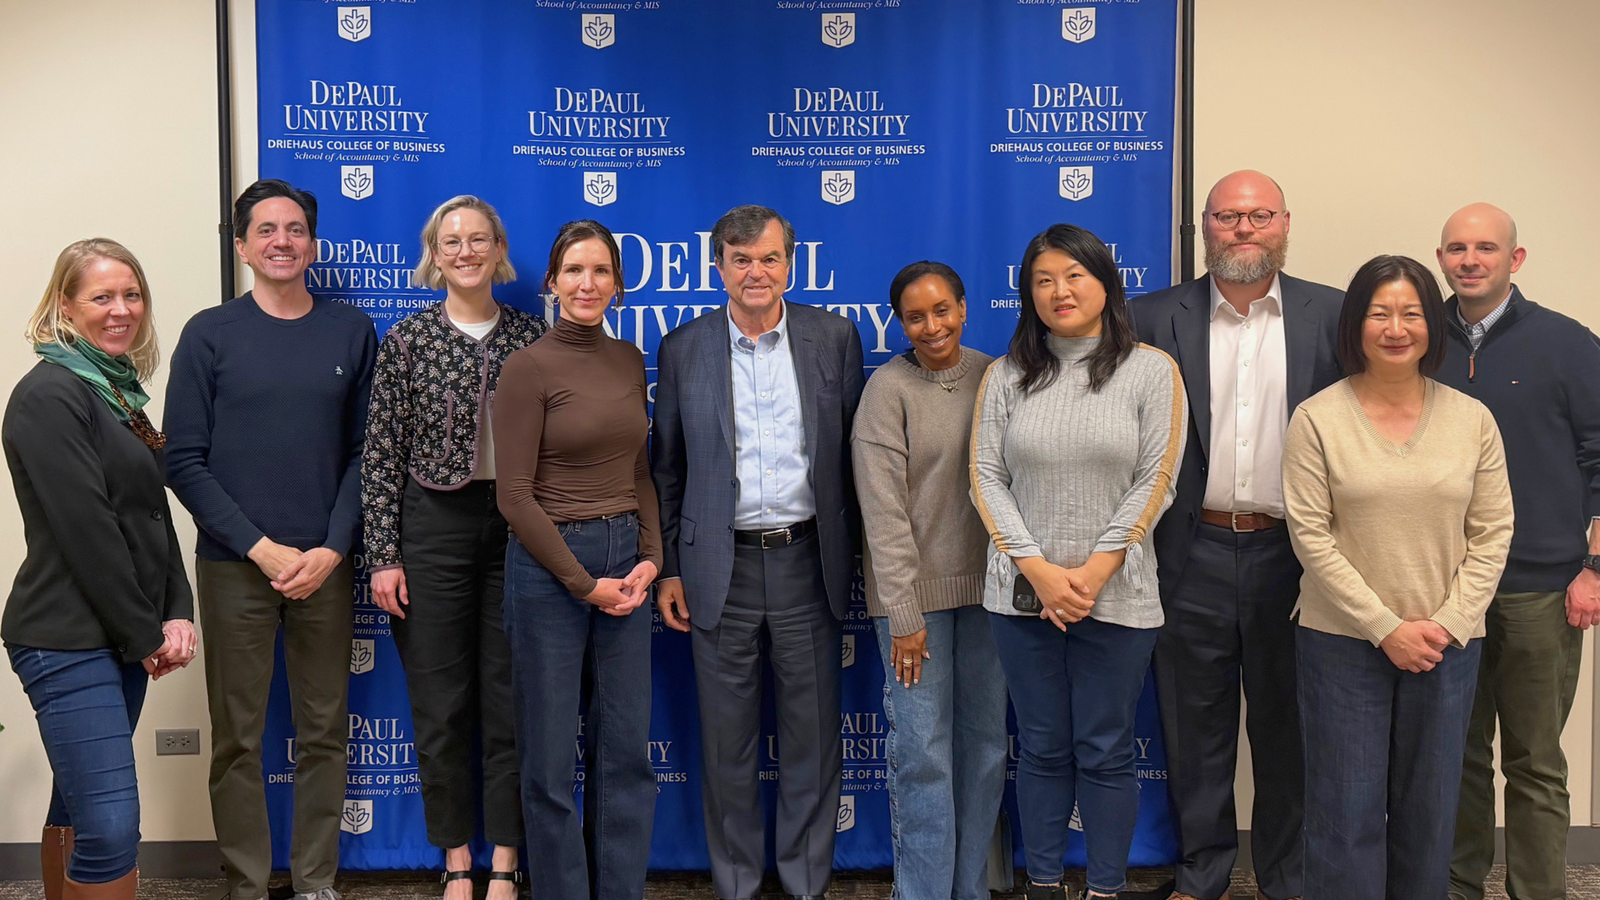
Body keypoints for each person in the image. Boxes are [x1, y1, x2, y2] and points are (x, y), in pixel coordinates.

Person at [1132, 169, 1343, 900]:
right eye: (1227, 217)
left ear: (1286, 223)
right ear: (1203, 227)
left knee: (1291, 726)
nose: (1243, 229)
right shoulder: (1151, 317)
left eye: (1258, 216)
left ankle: (1288, 878)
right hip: (1189, 553)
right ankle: (1203, 873)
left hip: (1299, 557)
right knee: (1193, 730)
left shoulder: (1336, 316)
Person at [165, 179, 376, 900]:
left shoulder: (350, 330)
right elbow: (181, 461)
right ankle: (247, 885)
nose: (281, 240)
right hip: (234, 567)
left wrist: (332, 548)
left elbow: (365, 455)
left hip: (325, 565)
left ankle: (316, 881)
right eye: (266, 230)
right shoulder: (209, 333)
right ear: (242, 246)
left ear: (312, 244)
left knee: (325, 734)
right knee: (238, 742)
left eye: (295, 229)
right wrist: (258, 547)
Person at [1282, 254, 1513, 900]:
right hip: (1340, 644)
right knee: (1343, 815)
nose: (1396, 327)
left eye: (1411, 313)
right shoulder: (1317, 419)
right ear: (1355, 323)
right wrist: (1385, 628)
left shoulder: (1472, 421)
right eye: (1380, 313)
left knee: (1429, 814)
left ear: (1431, 326)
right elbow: (1311, 537)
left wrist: (1444, 624)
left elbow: (1493, 533)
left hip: (1447, 645)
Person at [653, 204, 864, 900]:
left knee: (811, 740)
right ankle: (737, 884)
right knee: (727, 745)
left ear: (789, 264)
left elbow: (855, 460)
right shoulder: (683, 348)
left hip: (810, 562)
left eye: (769, 258)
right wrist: (674, 570)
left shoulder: (834, 338)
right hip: (720, 567)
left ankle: (806, 884)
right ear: (718, 267)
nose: (756, 272)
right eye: (741, 260)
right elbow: (668, 470)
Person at [971, 223, 1186, 900]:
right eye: (1043, 280)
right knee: (1040, 747)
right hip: (1022, 599)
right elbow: (985, 479)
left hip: (1117, 597)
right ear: (1027, 294)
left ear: (1105, 282)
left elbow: (1157, 481)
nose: (1059, 291)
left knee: (1105, 748)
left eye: (1074, 275)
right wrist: (1038, 570)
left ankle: (1104, 887)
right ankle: (1040, 884)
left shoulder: (1151, 369)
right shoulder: (1007, 376)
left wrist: (1093, 573)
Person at [361, 196, 546, 896]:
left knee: (509, 700)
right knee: (440, 706)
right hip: (430, 528)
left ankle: (505, 860)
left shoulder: (534, 337)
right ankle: (457, 862)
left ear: (498, 248)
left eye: (477, 238)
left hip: (517, 530)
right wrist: (383, 554)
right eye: (451, 241)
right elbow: (378, 457)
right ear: (434, 255)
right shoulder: (406, 341)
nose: (465, 250)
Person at [4, 239, 196, 900]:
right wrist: (145, 634)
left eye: (132, 295)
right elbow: (89, 533)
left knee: (79, 808)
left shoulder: (117, 396)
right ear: (65, 306)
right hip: (63, 636)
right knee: (112, 827)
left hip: (117, 631)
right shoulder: (50, 395)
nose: (122, 310)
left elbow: (151, 515)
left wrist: (177, 608)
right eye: (102, 297)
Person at [493, 219, 661, 900]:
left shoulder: (626, 361)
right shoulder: (527, 367)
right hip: (549, 569)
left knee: (625, 748)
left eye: (600, 272)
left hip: (627, 558)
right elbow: (513, 496)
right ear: (552, 284)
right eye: (574, 271)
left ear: (617, 286)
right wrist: (582, 583)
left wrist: (651, 556)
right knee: (550, 753)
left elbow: (640, 469)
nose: (587, 284)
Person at [1437, 204, 1600, 900]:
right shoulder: (1416, 339)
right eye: (1456, 248)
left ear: (1516, 258)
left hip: (1542, 587)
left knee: (1534, 762)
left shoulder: (1569, 344)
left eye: (1485, 248)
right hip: (1444, 589)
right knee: (1457, 757)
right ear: (1441, 258)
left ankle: (1539, 892)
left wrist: (1594, 569)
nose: (1470, 260)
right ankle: (1455, 887)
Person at [851, 261, 1005, 900]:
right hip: (914, 607)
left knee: (986, 752)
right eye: (916, 316)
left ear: (964, 308)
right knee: (923, 757)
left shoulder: (997, 375)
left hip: (992, 598)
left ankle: (968, 890)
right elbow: (883, 512)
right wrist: (905, 614)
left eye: (942, 310)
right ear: (900, 323)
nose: (931, 325)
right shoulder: (888, 390)